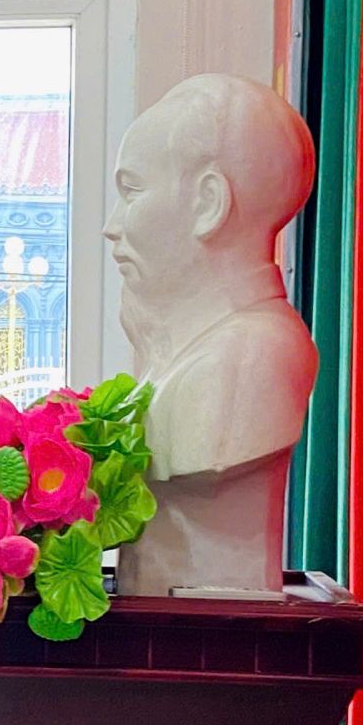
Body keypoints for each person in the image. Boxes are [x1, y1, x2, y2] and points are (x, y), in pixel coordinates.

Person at [102, 74, 319, 595]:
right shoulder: (190, 349)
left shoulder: (247, 360)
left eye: (132, 192)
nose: (112, 225)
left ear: (208, 203)